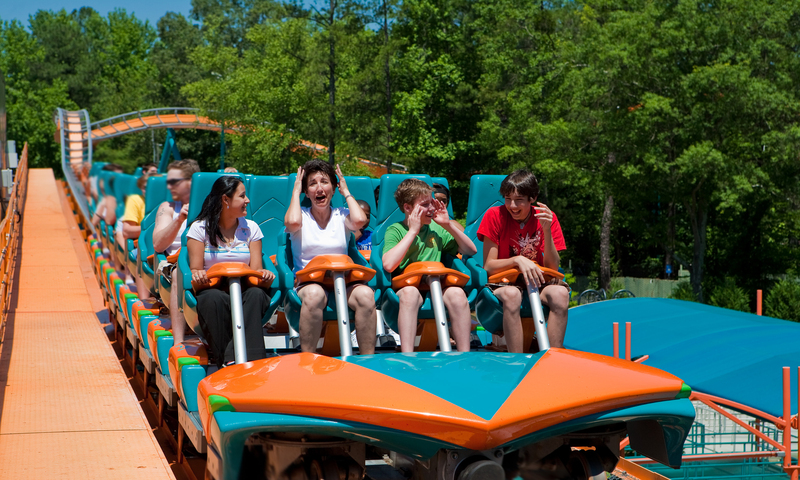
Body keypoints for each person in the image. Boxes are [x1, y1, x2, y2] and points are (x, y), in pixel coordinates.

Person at [284, 160, 376, 354]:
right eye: (312, 184)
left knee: (366, 295)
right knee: (314, 294)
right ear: (306, 192)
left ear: (333, 189)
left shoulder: (341, 215)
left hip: (343, 281)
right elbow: (292, 223)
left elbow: (360, 220)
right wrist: (295, 191)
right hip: (309, 283)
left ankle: (367, 360)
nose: (319, 188)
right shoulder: (301, 216)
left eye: (324, 182)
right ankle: (308, 358)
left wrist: (346, 191)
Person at [476, 169, 569, 351]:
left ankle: (553, 356)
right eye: (508, 199)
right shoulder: (494, 216)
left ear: (532, 198)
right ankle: (516, 358)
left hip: (537, 281)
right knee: (513, 295)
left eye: (519, 200)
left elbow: (552, 266)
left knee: (560, 294)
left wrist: (547, 230)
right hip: (504, 282)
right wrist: (517, 260)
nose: (512, 205)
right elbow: (489, 266)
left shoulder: (546, 218)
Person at [381, 179, 477, 352]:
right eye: (425, 205)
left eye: (432, 202)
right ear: (408, 208)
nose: (432, 208)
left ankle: (464, 353)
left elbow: (471, 250)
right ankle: (407, 354)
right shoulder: (395, 230)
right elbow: (388, 265)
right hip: (408, 288)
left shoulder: (436, 229)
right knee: (410, 294)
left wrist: (447, 225)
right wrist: (413, 231)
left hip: (438, 287)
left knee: (457, 293)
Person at [187, 176, 273, 367]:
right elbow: (195, 269)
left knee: (256, 294)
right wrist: (198, 274)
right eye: (242, 196)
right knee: (213, 299)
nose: (247, 200)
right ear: (225, 200)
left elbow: (256, 270)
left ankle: (248, 361)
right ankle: (229, 360)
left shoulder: (251, 228)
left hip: (245, 287)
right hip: (212, 287)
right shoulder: (199, 228)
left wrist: (265, 275)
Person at [153, 159, 200, 345]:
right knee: (178, 273)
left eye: (174, 182)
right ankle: (178, 342)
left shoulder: (210, 205)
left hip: (205, 261)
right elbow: (158, 245)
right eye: (168, 181)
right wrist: (179, 220)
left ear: (191, 181)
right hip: (175, 262)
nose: (169, 186)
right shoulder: (168, 208)